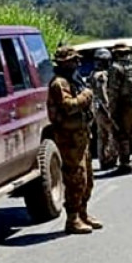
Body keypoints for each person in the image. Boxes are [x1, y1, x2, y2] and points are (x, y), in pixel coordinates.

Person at [47, 46, 102, 234]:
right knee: (75, 179)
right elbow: (68, 106)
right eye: (73, 60)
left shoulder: (73, 79)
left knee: (87, 179)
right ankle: (72, 219)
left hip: (81, 135)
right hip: (69, 139)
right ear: (64, 63)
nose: (77, 63)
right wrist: (85, 97)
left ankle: (83, 213)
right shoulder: (59, 84)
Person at [108, 45, 132, 174]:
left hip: (126, 106)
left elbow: (113, 92)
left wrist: (112, 111)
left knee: (122, 134)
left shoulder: (116, 68)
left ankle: (125, 163)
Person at [89, 48, 118, 170]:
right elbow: (102, 94)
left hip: (97, 108)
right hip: (102, 108)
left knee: (102, 135)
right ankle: (108, 159)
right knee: (110, 133)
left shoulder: (93, 74)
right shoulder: (101, 76)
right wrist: (108, 108)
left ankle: (104, 159)